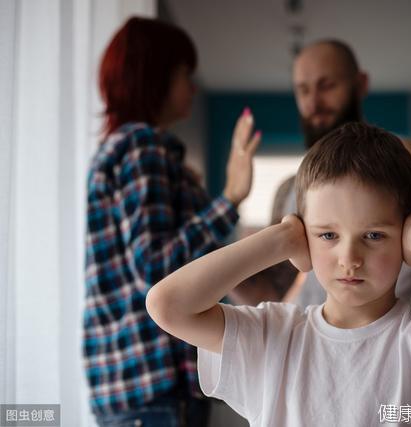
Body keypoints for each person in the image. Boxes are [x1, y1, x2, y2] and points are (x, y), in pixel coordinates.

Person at [146, 123, 411, 426]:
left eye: (374, 235)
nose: (350, 257)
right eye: (327, 235)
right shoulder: (274, 335)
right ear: (305, 234)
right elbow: (167, 305)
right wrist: (280, 239)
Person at [83, 17, 260, 426]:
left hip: (131, 386)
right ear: (156, 76)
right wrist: (230, 197)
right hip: (152, 384)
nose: (193, 88)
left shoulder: (123, 149)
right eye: (185, 74)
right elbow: (157, 268)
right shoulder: (142, 146)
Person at [230, 39, 411, 307]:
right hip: (313, 338)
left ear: (360, 85)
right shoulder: (291, 189)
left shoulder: (408, 163)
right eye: (303, 90)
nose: (314, 103)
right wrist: (229, 206)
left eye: (327, 86)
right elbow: (273, 292)